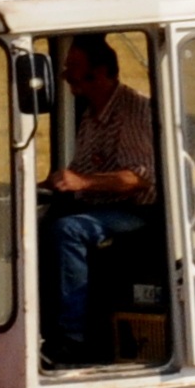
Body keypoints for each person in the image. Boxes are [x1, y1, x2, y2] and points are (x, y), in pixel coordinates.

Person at [39, 35, 158, 362]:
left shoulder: (133, 111)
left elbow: (138, 178)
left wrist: (83, 181)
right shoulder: (92, 114)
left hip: (140, 212)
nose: (66, 76)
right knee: (33, 225)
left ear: (101, 71)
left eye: (74, 68)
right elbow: (81, 171)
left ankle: (72, 339)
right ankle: (40, 325)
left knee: (68, 231)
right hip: (102, 205)